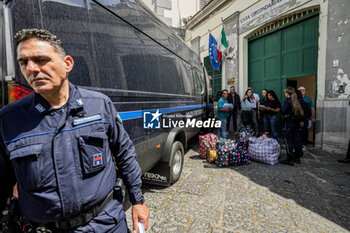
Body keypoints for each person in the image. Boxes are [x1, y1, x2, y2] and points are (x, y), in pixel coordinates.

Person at [0, 29, 149, 232]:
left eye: (40, 59)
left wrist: (138, 201)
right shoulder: (9, 120)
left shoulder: (99, 105)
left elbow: (125, 153)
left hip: (106, 224)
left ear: (67, 64)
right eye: (23, 62)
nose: (31, 69)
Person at [280, 87, 305, 165]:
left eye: (285, 93)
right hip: (296, 124)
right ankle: (297, 157)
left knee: (288, 141)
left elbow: (283, 111)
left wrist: (286, 114)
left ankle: (289, 158)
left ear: (287, 93)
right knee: (297, 140)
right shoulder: (298, 101)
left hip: (288, 123)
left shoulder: (288, 102)